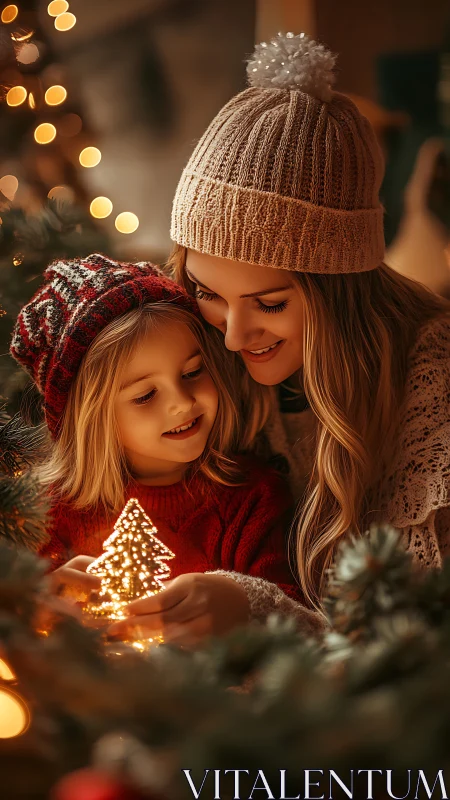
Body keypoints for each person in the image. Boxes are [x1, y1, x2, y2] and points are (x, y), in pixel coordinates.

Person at [168, 32, 450, 615]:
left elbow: (407, 649)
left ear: (340, 293)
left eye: (270, 304)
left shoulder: (431, 392)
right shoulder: (188, 349)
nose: (233, 337)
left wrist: (255, 610)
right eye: (208, 293)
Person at [10, 254, 322, 646]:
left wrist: (244, 604)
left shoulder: (252, 499)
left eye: (192, 372)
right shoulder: (43, 514)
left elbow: (298, 631)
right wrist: (30, 611)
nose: (181, 403)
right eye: (145, 395)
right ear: (90, 419)